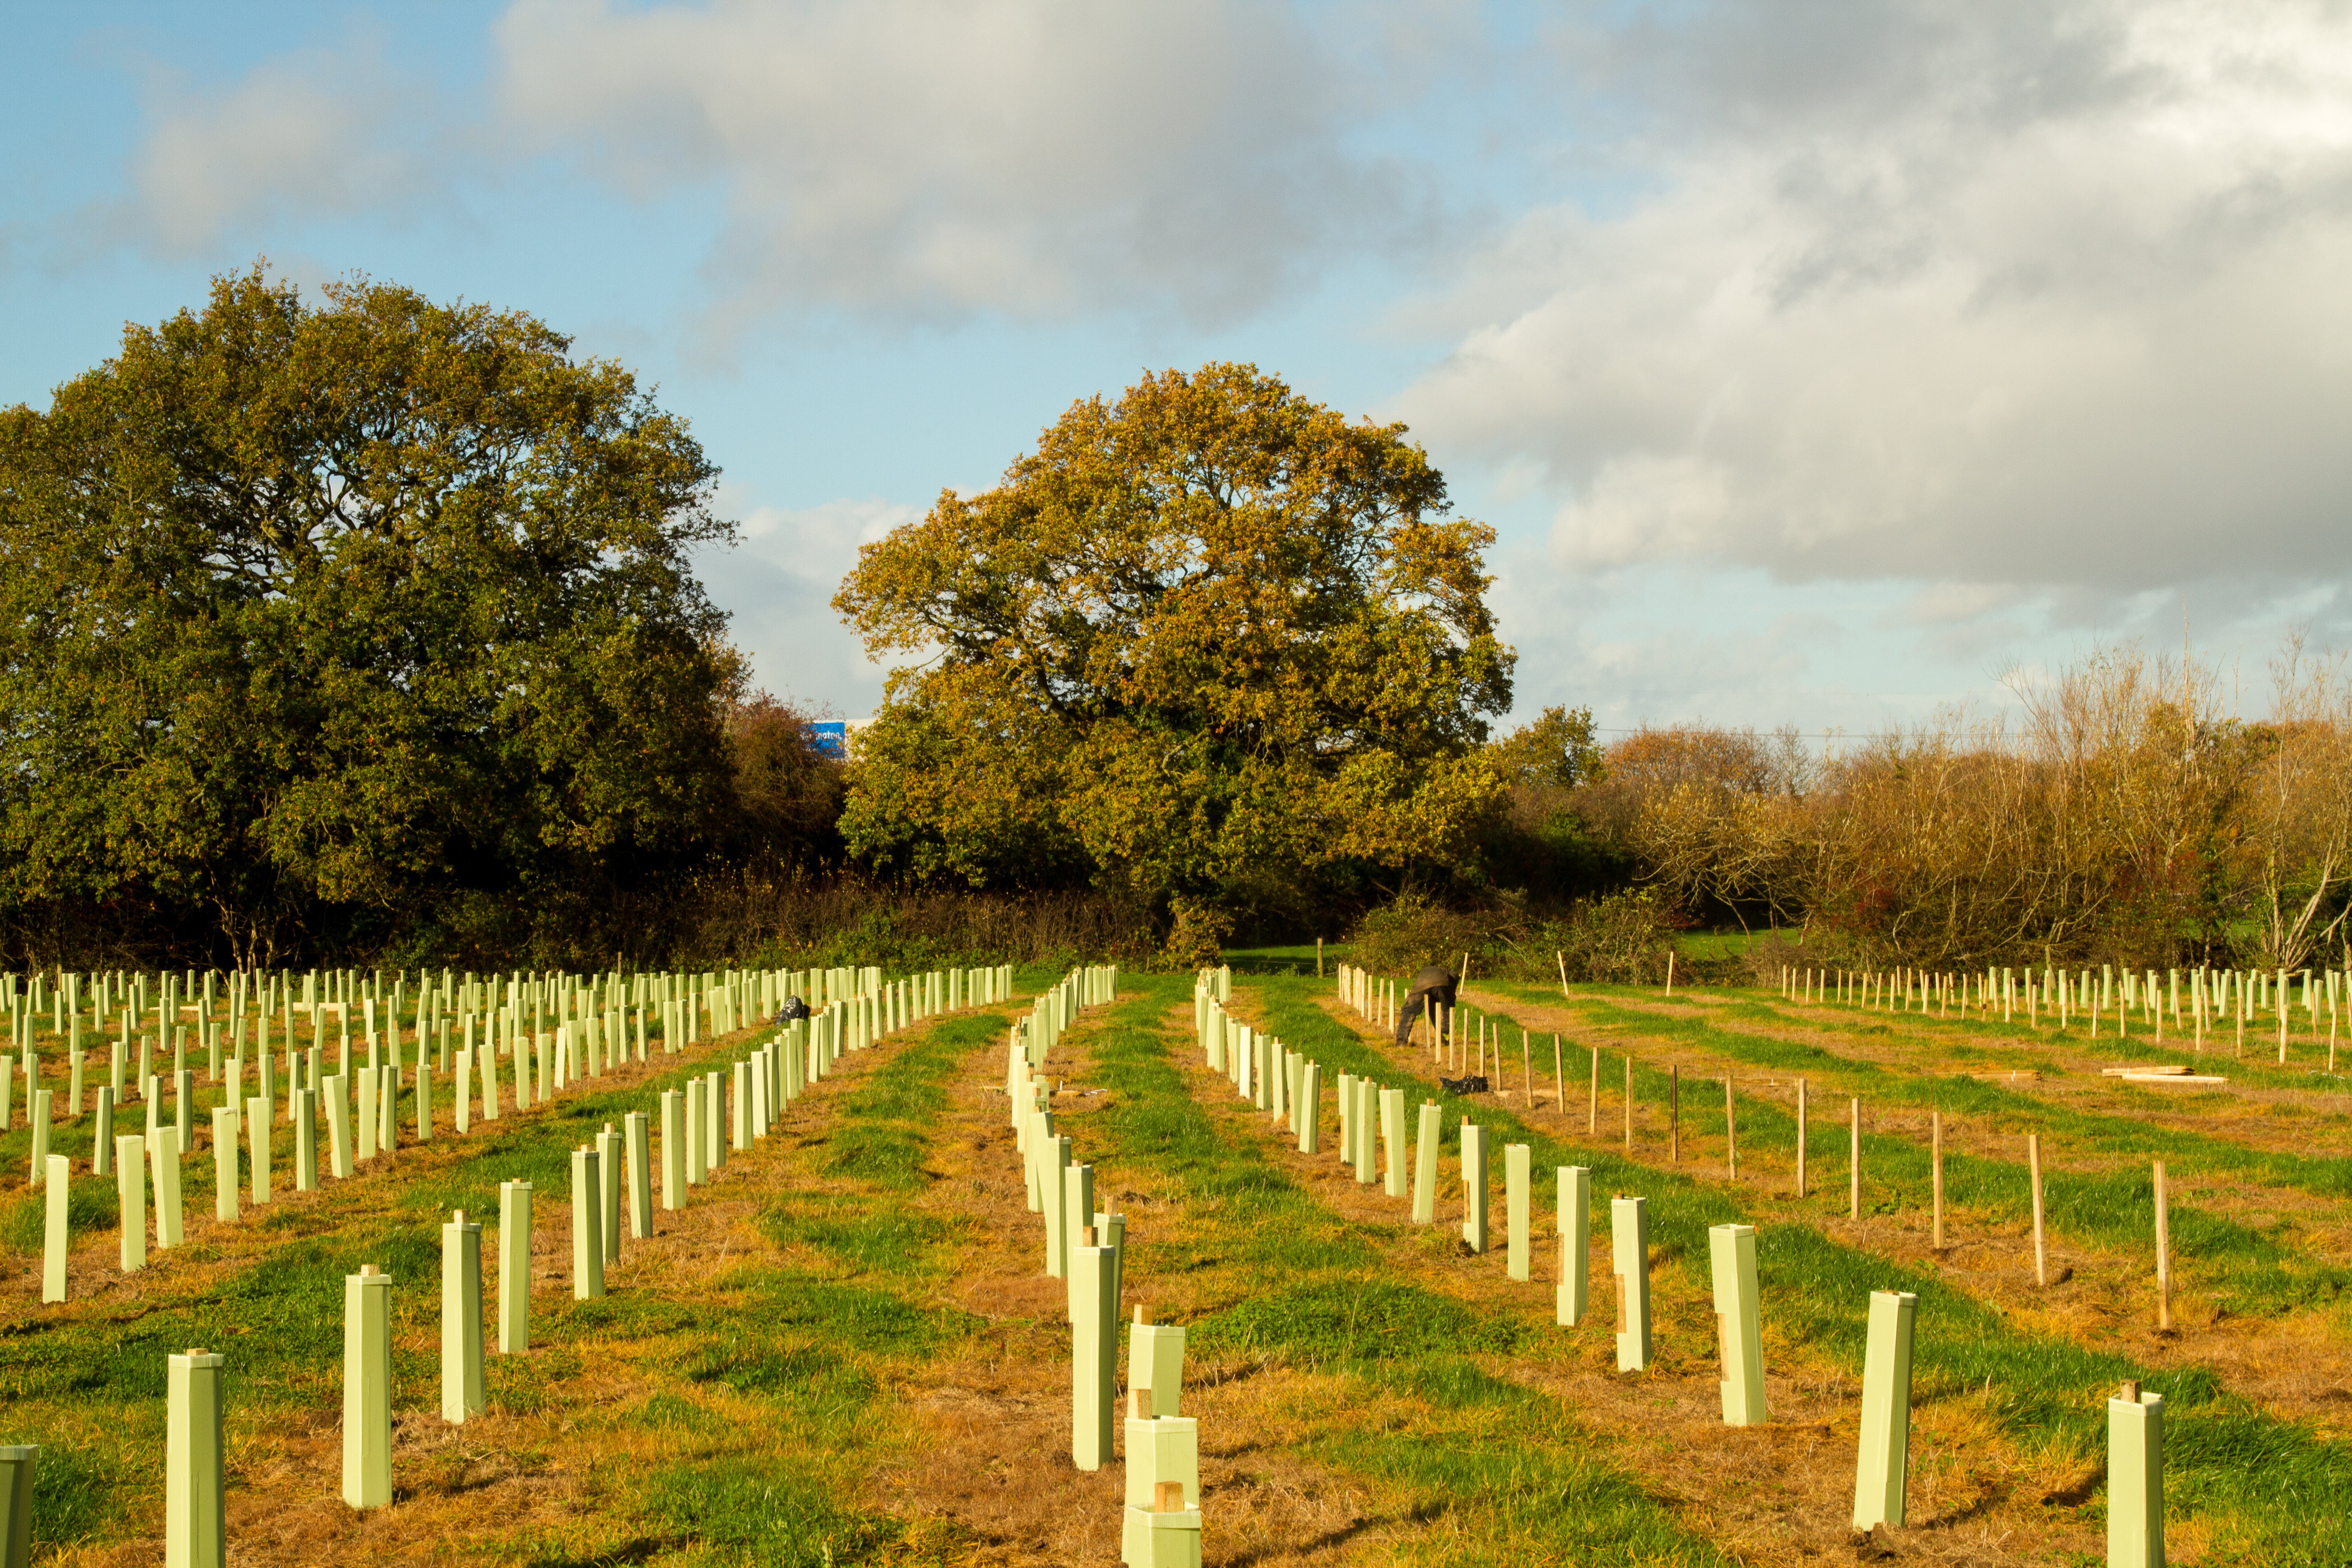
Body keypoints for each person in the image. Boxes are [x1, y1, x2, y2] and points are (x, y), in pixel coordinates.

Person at [1395, 965, 1457, 1047]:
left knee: (1408, 1011)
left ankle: (1401, 1042)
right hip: (1441, 984)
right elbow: (1454, 977)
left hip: (1422, 985)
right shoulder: (1446, 973)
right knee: (1446, 1009)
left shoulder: (1427, 971)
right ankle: (1444, 1033)